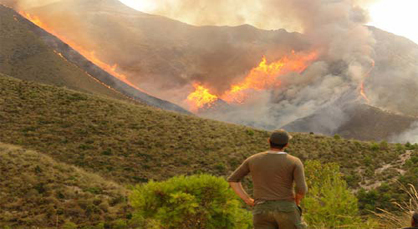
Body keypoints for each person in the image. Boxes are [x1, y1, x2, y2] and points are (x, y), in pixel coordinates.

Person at [227, 129, 307, 229]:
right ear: (286, 145)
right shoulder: (294, 161)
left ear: (269, 141)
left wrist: (247, 200)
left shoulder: (253, 159)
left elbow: (233, 180)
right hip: (286, 208)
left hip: (261, 209)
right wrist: (296, 201)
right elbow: (302, 189)